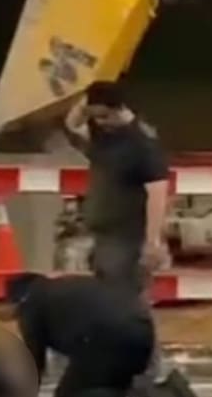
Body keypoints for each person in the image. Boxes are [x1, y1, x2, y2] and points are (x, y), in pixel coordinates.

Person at [64, 81, 170, 378]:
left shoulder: (141, 143)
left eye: (102, 116)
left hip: (128, 238)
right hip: (105, 236)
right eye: (94, 117)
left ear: (118, 111)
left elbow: (158, 192)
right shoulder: (103, 135)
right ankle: (124, 368)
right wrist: (85, 104)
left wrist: (153, 241)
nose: (96, 122)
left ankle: (148, 372)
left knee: (131, 308)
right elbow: (72, 124)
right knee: (112, 308)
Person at [6, 273, 198, 397]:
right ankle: (169, 390)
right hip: (141, 333)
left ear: (17, 300)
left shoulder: (32, 302)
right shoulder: (65, 288)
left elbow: (33, 359)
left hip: (106, 340)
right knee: (103, 389)